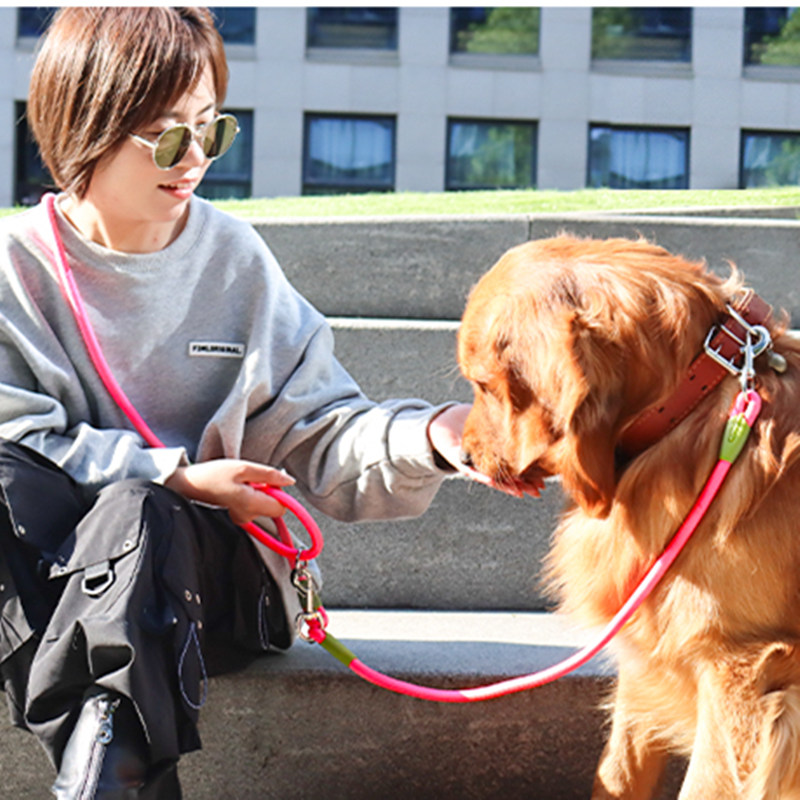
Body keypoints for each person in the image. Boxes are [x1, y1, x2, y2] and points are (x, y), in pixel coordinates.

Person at [0, 8, 472, 798]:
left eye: (210, 132)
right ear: (89, 123)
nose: (194, 161)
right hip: (55, 590)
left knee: (137, 513)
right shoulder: (17, 268)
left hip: (208, 591)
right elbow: (16, 441)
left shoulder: (234, 262)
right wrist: (174, 473)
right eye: (168, 135)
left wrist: (427, 434)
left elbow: (321, 430)